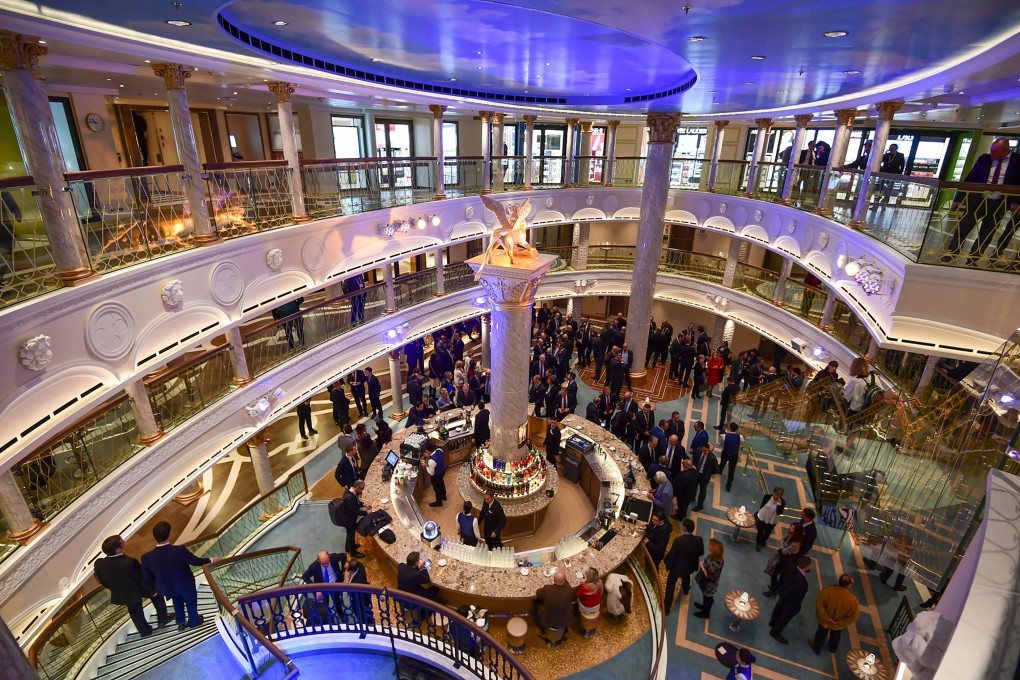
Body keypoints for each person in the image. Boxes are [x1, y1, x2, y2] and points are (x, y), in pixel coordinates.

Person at [944, 137, 1020, 264]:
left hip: (999, 203)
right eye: (991, 149)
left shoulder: (1017, 161)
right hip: (977, 200)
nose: (992, 153)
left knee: (987, 232)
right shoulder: (984, 159)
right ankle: (951, 254)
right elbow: (970, 178)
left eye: (995, 151)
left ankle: (973, 258)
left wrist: (1016, 202)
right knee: (963, 227)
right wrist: (959, 198)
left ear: (1006, 150)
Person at [141, 521, 213, 631]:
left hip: (169, 587)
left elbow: (147, 578)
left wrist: (158, 584)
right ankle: (193, 622)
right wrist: (211, 560)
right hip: (186, 584)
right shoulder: (179, 550)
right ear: (169, 534)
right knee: (191, 603)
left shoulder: (146, 558)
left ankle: (181, 623)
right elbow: (195, 561)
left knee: (177, 602)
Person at [95, 535, 170, 637]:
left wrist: (115, 588)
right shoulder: (130, 562)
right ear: (117, 549)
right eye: (122, 541)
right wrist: (152, 590)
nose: (124, 541)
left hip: (122, 593)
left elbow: (103, 581)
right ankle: (163, 619)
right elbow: (141, 579)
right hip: (137, 589)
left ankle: (145, 632)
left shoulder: (99, 564)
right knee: (157, 596)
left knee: (135, 611)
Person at [809, 574, 859, 655]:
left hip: (824, 621)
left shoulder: (827, 590)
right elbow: (854, 617)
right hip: (837, 625)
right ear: (849, 585)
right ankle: (832, 648)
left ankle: (816, 648)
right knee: (836, 636)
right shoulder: (853, 601)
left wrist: (827, 618)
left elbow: (819, 604)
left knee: (821, 634)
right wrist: (840, 622)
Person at [663, 519, 704, 614]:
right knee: (686, 576)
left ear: (684, 528)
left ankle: (667, 608)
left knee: (670, 585)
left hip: (677, 568)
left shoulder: (678, 541)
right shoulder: (699, 540)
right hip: (690, 566)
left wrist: (668, 565)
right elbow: (701, 552)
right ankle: (686, 589)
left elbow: (672, 555)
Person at [769, 556, 812, 644]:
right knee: (784, 618)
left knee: (778, 607)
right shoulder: (803, 584)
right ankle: (774, 632)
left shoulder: (791, 567)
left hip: (783, 593)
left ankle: (772, 622)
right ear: (807, 567)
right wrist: (796, 608)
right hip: (791, 602)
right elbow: (798, 598)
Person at [764, 522, 805, 597]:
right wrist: (782, 547)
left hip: (786, 561)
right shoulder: (791, 535)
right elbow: (782, 540)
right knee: (779, 575)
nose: (790, 528)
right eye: (791, 526)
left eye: (792, 528)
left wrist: (782, 548)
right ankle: (775, 588)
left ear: (797, 531)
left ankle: (773, 591)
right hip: (783, 557)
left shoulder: (796, 542)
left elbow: (785, 551)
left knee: (774, 574)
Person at [693, 538, 724, 619]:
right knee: (706, 597)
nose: (708, 545)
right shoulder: (716, 557)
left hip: (709, 585)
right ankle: (704, 606)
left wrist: (702, 567)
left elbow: (710, 577)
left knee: (707, 598)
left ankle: (705, 613)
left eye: (710, 545)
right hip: (709, 584)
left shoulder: (714, 564)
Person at [337, 480, 368, 557]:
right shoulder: (350, 498)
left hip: (349, 517)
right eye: (362, 489)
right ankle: (353, 553)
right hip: (349, 520)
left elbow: (356, 502)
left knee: (349, 534)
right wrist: (366, 512)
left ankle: (348, 547)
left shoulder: (350, 490)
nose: (362, 491)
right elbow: (355, 511)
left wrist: (364, 504)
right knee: (351, 535)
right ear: (357, 487)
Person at [872, 143, 905, 207]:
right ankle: (875, 204)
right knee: (880, 188)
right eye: (891, 148)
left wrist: (899, 174)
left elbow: (902, 165)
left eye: (893, 148)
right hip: (884, 174)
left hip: (893, 175)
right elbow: (879, 161)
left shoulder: (900, 155)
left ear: (896, 148)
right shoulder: (887, 155)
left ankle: (884, 204)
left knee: (889, 190)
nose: (891, 149)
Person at [755, 487, 786, 551]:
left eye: (778, 495)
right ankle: (758, 543)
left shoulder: (782, 502)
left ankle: (763, 541)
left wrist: (779, 504)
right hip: (763, 517)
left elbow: (779, 512)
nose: (776, 496)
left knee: (767, 532)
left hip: (772, 519)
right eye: (775, 494)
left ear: (781, 496)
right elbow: (761, 506)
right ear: (773, 492)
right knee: (760, 530)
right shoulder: (767, 497)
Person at [692, 442, 719, 512]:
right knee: (693, 486)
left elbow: (716, 470)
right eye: (704, 450)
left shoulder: (712, 458)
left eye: (708, 450)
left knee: (702, 491)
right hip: (696, 473)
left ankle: (699, 506)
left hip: (705, 476)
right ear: (702, 449)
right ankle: (692, 497)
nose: (706, 452)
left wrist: (708, 473)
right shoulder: (698, 451)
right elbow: (694, 459)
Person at [719, 423, 743, 492]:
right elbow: (741, 443)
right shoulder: (740, 437)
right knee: (731, 471)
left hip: (725, 452)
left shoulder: (724, 436)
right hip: (734, 455)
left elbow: (721, 444)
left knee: (722, 463)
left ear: (730, 428)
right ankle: (728, 486)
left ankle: (720, 471)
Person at [422, 440, 447, 508]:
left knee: (437, 489)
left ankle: (439, 502)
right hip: (442, 471)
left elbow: (431, 473)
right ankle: (444, 496)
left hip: (436, 476)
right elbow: (435, 454)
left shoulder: (431, 461)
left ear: (428, 451)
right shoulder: (440, 450)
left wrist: (426, 466)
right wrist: (429, 455)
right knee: (441, 483)